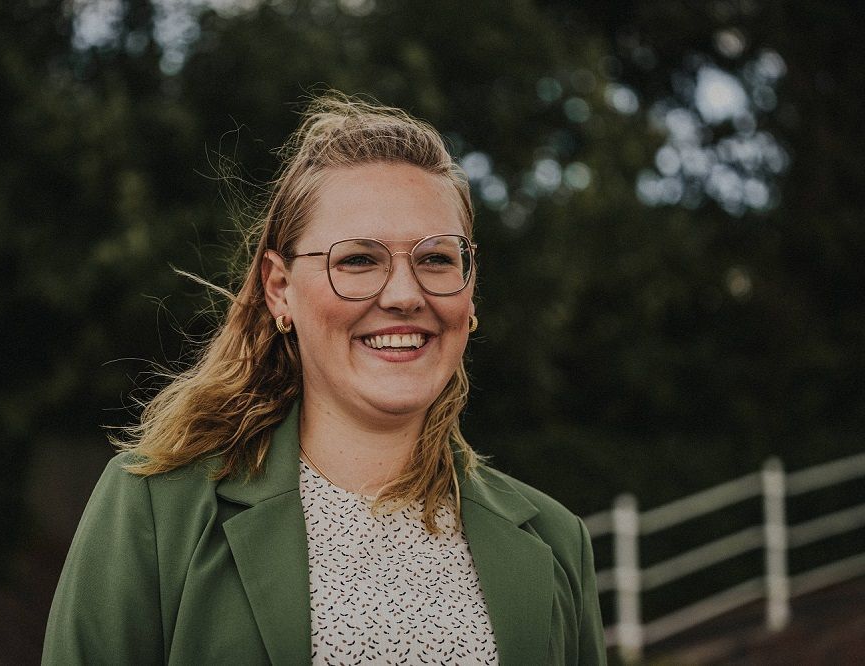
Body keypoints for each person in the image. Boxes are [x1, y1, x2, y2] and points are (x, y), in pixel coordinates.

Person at [42, 94, 606, 665]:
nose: (406, 295)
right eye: (359, 260)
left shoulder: (558, 543)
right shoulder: (157, 511)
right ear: (279, 289)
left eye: (436, 258)